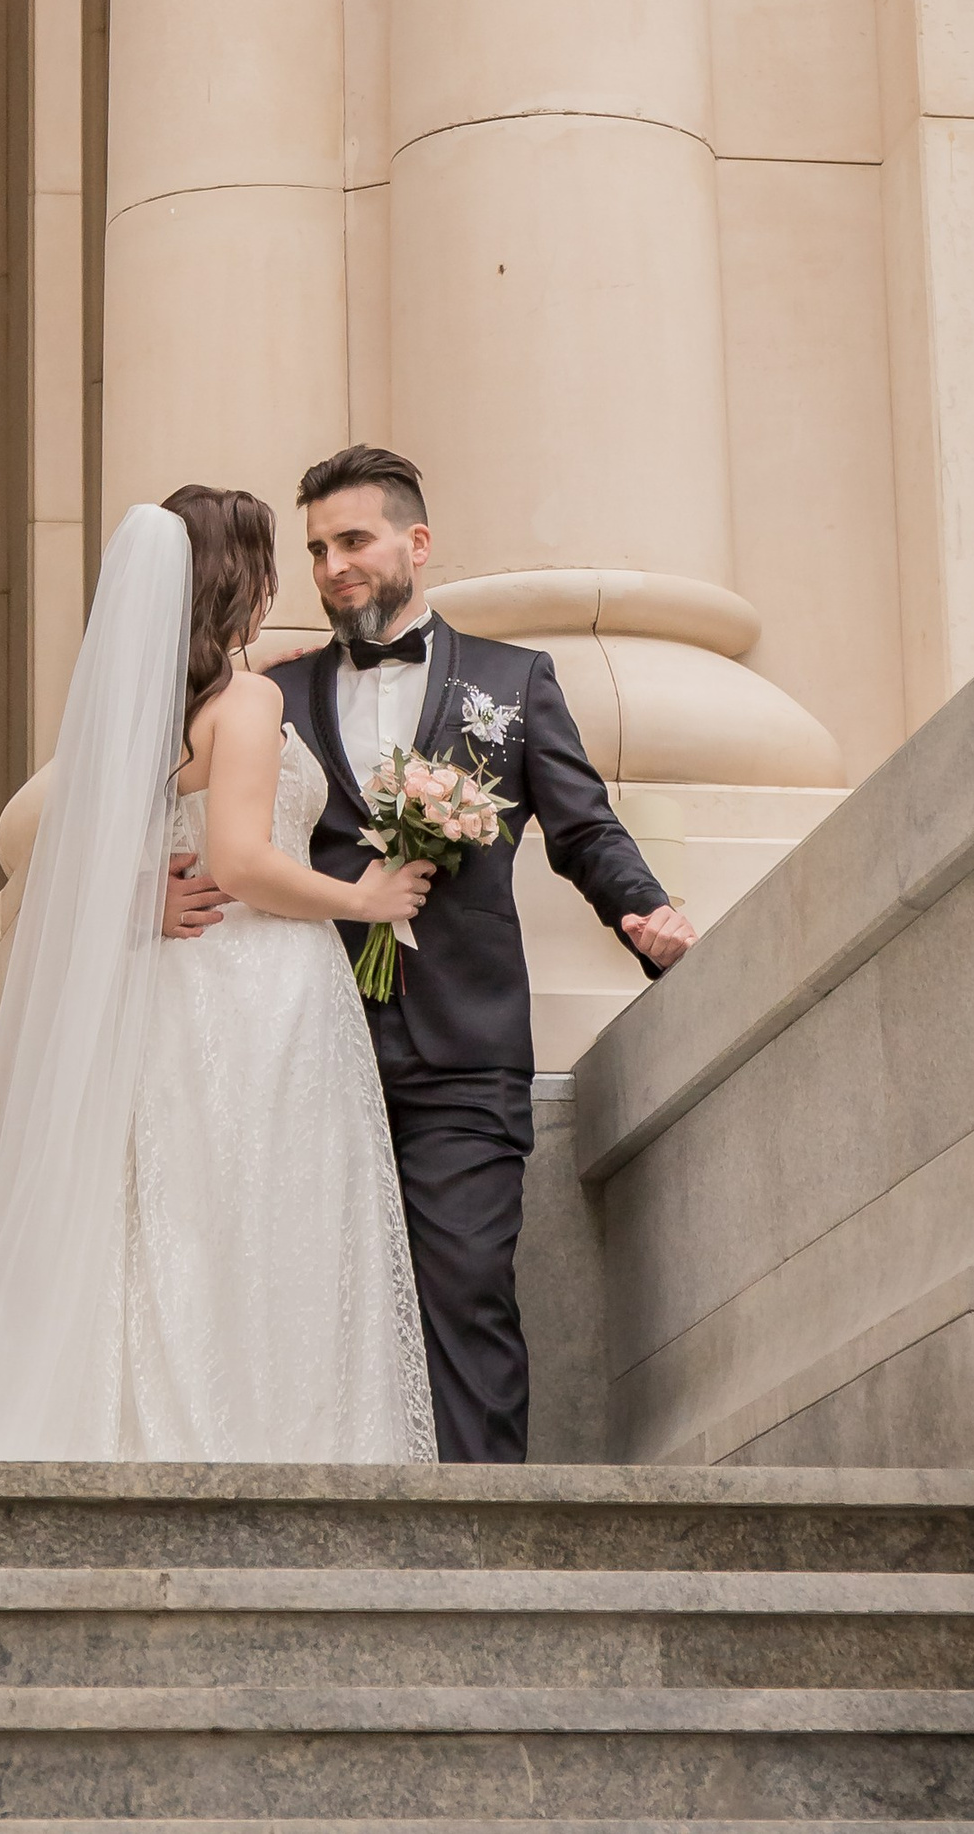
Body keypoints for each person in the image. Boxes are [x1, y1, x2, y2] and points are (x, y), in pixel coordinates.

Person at [169, 445, 695, 1465]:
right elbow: (162, 797)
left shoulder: (512, 681)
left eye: (352, 540)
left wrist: (645, 912)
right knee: (318, 1310)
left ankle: (482, 1543)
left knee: (464, 1287)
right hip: (307, 1046)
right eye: (316, 547)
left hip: (463, 1048)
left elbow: (582, 829)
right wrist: (149, 891)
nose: (332, 567)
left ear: (415, 542)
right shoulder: (269, 691)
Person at [0, 485, 438, 1461]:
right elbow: (237, 859)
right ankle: (266, 1443)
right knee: (263, 1219)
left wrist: (127, 888)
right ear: (253, 576)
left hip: (171, 991)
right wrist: (363, 898)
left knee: (171, 1222)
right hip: (255, 988)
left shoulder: (152, 709)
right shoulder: (244, 702)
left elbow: (24, 835)